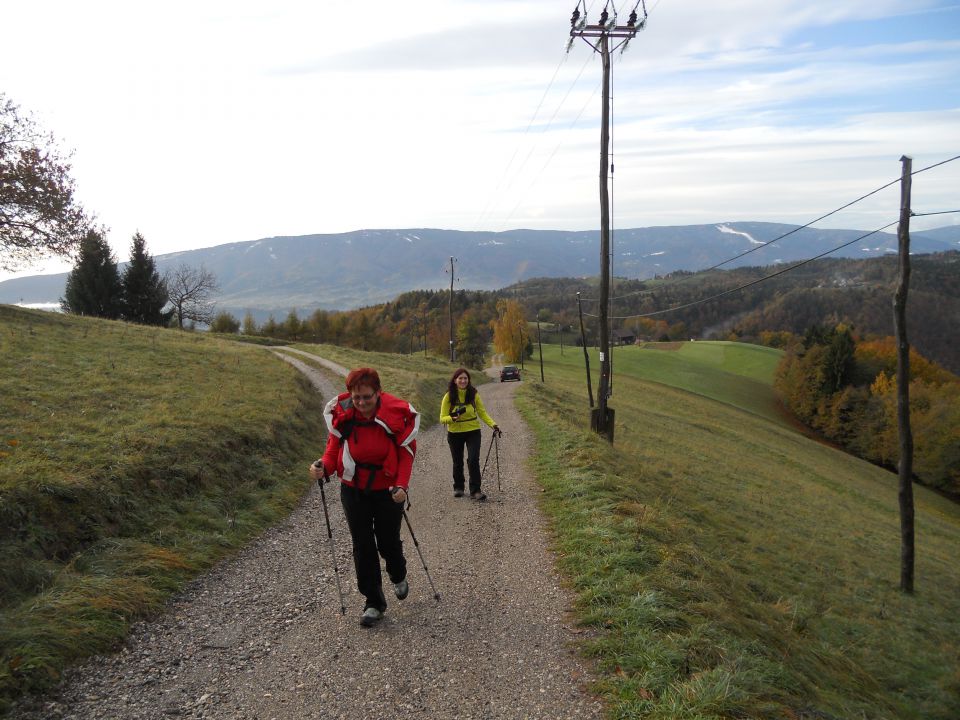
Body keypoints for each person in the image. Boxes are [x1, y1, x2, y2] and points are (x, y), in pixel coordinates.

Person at [309, 367, 420, 627]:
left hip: (389, 490)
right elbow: (332, 452)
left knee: (388, 541)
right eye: (356, 397)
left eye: (366, 397)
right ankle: (373, 602)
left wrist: (402, 485)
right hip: (353, 489)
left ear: (378, 393)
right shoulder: (344, 416)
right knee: (362, 544)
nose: (360, 403)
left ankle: (398, 573)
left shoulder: (393, 415)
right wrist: (322, 467)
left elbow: (406, 453)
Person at [440, 367, 500, 501]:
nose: (463, 381)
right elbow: (442, 418)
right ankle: (459, 487)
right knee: (457, 462)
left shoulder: (473, 393)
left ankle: (476, 490)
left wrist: (493, 425)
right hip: (454, 432)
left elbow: (482, 412)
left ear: (468, 380)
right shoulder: (449, 396)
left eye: (465, 378)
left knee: (473, 460)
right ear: (455, 380)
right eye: (460, 378)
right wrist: (452, 418)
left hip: (473, 431)